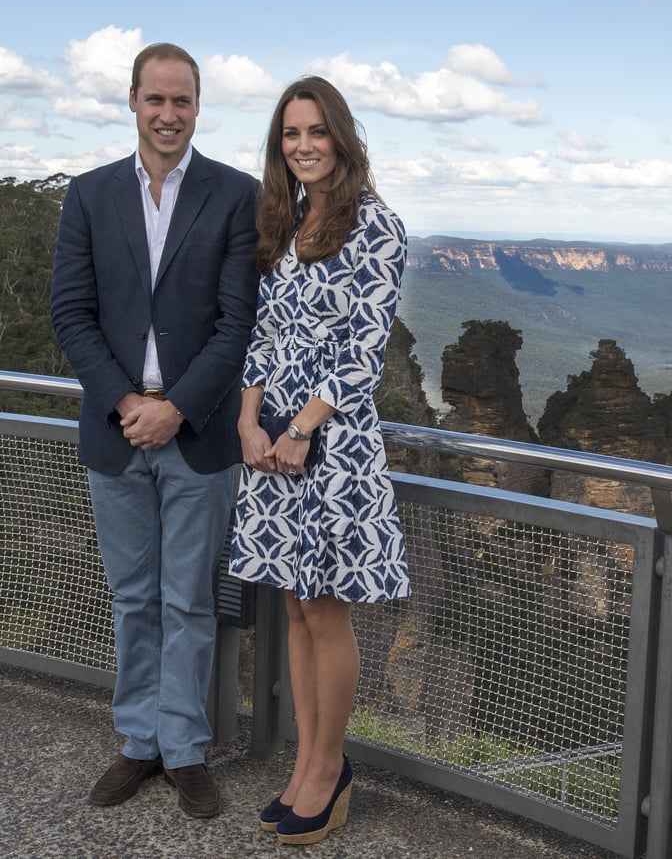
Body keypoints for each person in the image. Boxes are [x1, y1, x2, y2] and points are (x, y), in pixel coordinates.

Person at [50, 42, 259, 818]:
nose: (168, 115)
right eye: (155, 100)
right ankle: (138, 743)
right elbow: (70, 313)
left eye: (182, 101)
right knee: (134, 598)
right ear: (132, 102)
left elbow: (239, 323)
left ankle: (186, 749)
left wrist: (176, 406)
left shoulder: (234, 195)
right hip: (116, 430)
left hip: (197, 432)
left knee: (190, 601)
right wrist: (124, 403)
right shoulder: (90, 195)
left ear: (199, 107)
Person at [229, 76, 410, 846]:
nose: (303, 145)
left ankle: (328, 770)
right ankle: (305, 765)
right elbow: (266, 334)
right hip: (270, 441)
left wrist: (302, 427)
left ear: (341, 136)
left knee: (327, 611)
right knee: (295, 606)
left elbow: (364, 351)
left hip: (331, 446)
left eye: (316, 131)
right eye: (290, 134)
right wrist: (247, 418)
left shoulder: (377, 225)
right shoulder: (290, 220)